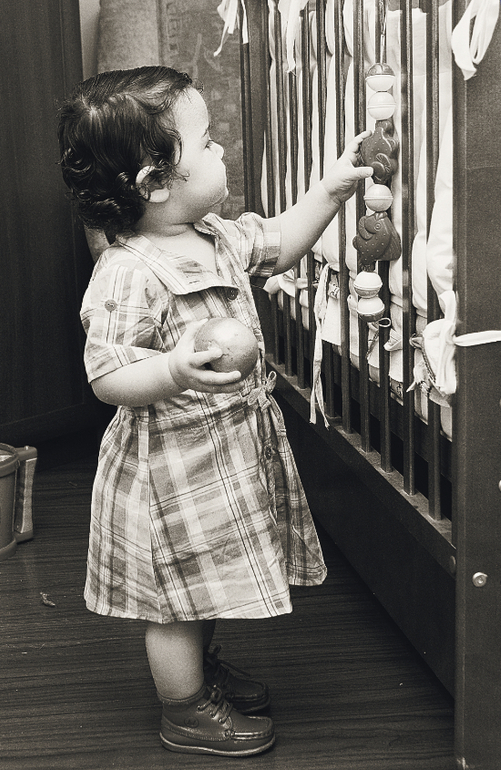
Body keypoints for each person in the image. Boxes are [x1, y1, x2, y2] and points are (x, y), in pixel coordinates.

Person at [58, 65, 372, 758]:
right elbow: (107, 374)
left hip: (224, 458)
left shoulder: (216, 236)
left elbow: (280, 241)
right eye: (207, 142)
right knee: (174, 601)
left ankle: (201, 674)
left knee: (202, 583)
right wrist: (172, 368)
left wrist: (331, 188)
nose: (222, 148)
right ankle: (185, 709)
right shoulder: (127, 272)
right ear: (155, 183)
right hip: (172, 470)